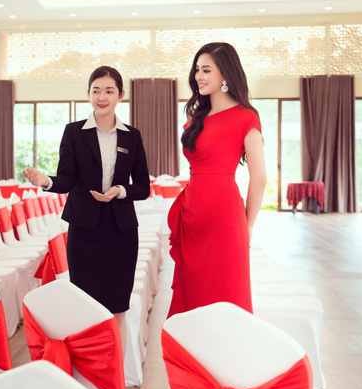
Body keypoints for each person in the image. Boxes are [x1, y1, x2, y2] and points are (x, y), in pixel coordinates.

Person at [23, 65, 150, 350]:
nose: (102, 97)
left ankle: (115, 371)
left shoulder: (132, 136)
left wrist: (120, 191)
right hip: (84, 230)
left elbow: (143, 187)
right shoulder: (74, 132)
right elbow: (66, 179)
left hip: (121, 232)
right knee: (84, 305)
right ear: (89, 94)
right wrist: (45, 181)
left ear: (120, 95)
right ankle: (88, 368)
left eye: (109, 91)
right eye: (96, 91)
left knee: (117, 307)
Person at [167, 42, 267, 319]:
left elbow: (259, 177)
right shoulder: (196, 117)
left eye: (206, 70)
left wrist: (248, 225)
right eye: (197, 70)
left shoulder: (246, 117)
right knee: (195, 298)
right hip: (192, 217)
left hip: (225, 219)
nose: (199, 76)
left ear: (225, 73)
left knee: (226, 296)